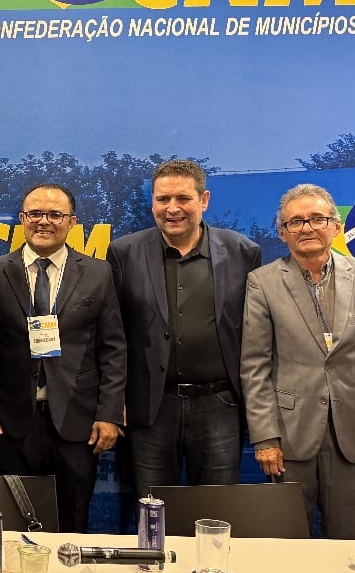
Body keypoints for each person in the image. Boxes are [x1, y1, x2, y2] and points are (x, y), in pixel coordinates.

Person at [241, 184, 355, 538]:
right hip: (289, 436)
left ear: (336, 225)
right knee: (287, 541)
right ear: (282, 233)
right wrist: (265, 437)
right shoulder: (262, 283)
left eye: (317, 219)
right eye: (295, 221)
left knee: (346, 541)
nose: (307, 228)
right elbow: (255, 368)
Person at [107, 159, 260, 498]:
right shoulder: (124, 253)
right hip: (151, 408)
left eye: (183, 199)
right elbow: (112, 334)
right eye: (162, 199)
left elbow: (256, 335)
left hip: (220, 406)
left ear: (204, 200)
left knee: (217, 511)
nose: (172, 208)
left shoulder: (243, 252)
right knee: (153, 511)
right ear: (152, 202)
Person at [0, 184, 126, 532]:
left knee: (72, 522)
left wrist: (109, 413)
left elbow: (113, 348)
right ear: (22, 219)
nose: (44, 221)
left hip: (77, 422)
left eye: (55, 215)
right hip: (10, 421)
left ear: (72, 222)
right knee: (12, 524)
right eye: (35, 213)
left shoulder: (98, 272)